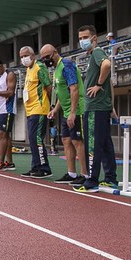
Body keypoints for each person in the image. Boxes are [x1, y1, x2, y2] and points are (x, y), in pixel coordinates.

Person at [74, 25, 118, 192]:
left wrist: (98, 85)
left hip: (95, 107)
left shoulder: (97, 52)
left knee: (92, 144)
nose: (82, 41)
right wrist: (111, 105)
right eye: (80, 38)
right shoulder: (94, 55)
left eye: (85, 37)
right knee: (105, 143)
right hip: (102, 106)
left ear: (94, 38)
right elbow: (110, 83)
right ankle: (110, 178)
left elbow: (107, 65)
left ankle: (92, 181)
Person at [41, 44, 88, 185]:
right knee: (66, 140)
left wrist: (73, 113)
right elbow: (62, 93)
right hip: (66, 111)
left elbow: (74, 89)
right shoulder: (56, 70)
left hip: (77, 110)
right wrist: (55, 110)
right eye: (43, 58)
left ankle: (85, 174)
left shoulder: (66, 66)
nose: (46, 60)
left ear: (55, 52)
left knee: (77, 141)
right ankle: (71, 173)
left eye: (47, 57)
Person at [18, 46, 52, 178]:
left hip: (39, 108)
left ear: (32, 56)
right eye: (21, 57)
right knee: (32, 139)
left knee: (37, 138)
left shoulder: (39, 67)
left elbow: (48, 87)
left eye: (25, 56)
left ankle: (44, 168)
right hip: (30, 110)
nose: (23, 59)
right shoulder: (28, 69)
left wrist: (50, 105)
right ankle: (35, 166)